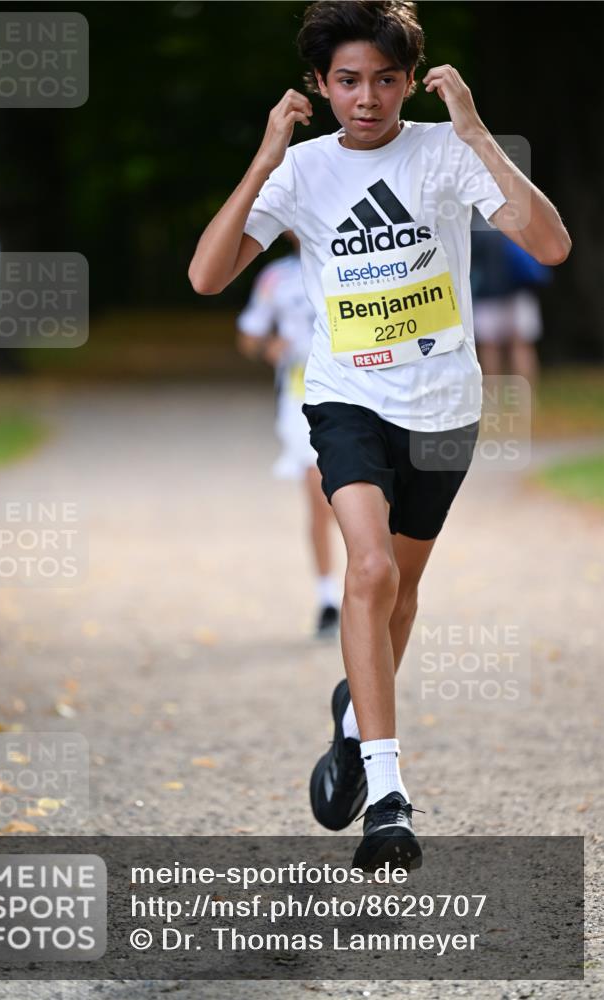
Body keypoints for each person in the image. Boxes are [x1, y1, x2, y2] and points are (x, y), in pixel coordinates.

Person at [188, 0, 571, 871]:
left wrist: (474, 132)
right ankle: (388, 796)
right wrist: (263, 158)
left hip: (444, 408)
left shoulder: (443, 152)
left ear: (408, 82)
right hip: (346, 399)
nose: (368, 98)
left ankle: (354, 720)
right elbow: (209, 274)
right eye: (349, 81)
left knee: (397, 592)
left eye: (386, 80)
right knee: (365, 570)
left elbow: (548, 246)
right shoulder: (302, 171)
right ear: (319, 87)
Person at [236, 230, 341, 638]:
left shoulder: (360, 263)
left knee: (363, 500)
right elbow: (248, 334)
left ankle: (370, 591)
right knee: (322, 498)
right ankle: (329, 597)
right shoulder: (275, 277)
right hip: (301, 398)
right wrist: (268, 348)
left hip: (361, 392)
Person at [470, 219, 550, 387]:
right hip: (518, 291)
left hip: (486, 294)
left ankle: (494, 401)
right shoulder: (513, 218)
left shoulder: (471, 224)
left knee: (489, 347)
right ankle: (527, 398)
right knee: (521, 345)